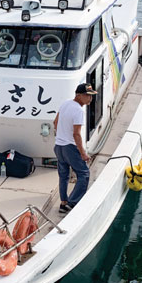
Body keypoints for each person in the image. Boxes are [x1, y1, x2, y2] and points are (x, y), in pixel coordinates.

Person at [53, 83, 96, 213]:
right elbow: (76, 134)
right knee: (84, 173)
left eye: (91, 96)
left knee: (64, 175)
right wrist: (83, 153)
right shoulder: (78, 110)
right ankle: (72, 203)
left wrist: (62, 134)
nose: (90, 99)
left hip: (58, 146)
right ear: (78, 95)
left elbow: (55, 123)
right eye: (87, 96)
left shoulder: (65, 103)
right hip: (69, 147)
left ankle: (64, 202)